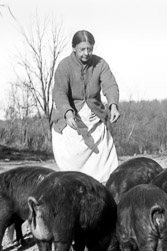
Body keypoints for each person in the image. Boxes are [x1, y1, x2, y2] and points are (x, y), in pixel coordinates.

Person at [50, 30, 121, 184]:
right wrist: (68, 113)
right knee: (72, 157)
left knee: (104, 156)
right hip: (71, 117)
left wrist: (113, 105)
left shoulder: (100, 64)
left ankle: (104, 186)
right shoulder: (64, 66)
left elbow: (110, 85)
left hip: (95, 116)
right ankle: (75, 184)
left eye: (89, 49)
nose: (86, 53)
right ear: (74, 48)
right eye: (82, 49)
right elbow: (60, 92)